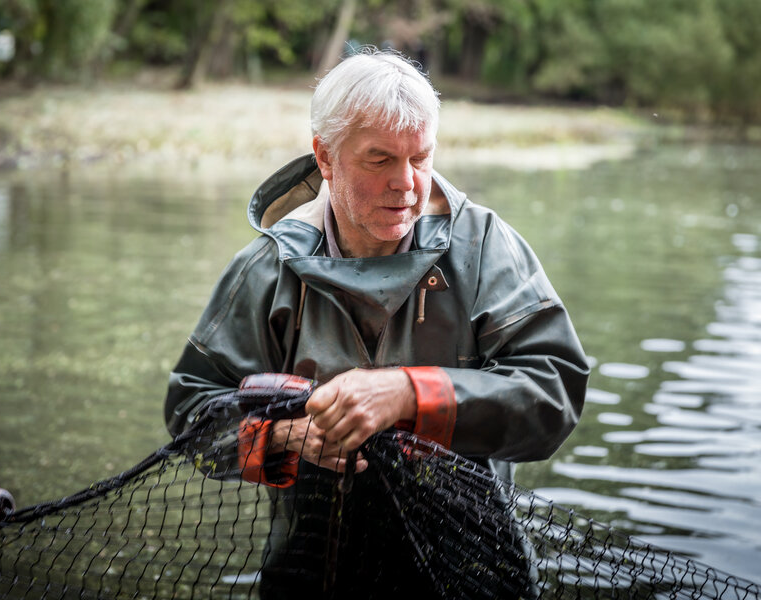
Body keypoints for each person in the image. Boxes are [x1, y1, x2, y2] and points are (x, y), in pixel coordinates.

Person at [164, 49, 589, 598]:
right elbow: (192, 409)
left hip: (470, 573)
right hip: (315, 572)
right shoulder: (266, 268)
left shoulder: (485, 248)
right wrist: (281, 439)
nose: (406, 183)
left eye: (420, 157)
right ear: (324, 156)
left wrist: (409, 393)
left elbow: (554, 394)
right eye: (379, 159)